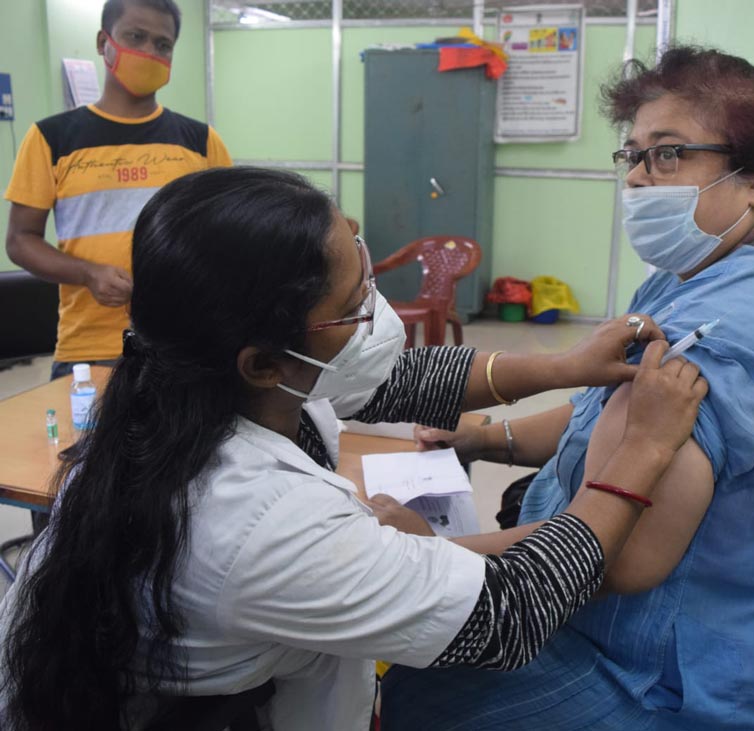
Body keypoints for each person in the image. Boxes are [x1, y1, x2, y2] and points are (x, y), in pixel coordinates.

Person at [0, 167, 707, 731]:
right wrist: (640, 451)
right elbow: (512, 613)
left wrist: (565, 366)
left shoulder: (198, 387)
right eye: (353, 303)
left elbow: (395, 383)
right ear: (263, 361)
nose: (377, 310)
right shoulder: (254, 517)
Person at [380, 46, 754, 731]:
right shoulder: (716, 273)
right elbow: (598, 411)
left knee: (411, 688)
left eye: (667, 154)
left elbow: (608, 552)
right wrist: (481, 437)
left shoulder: (712, 343)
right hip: (729, 636)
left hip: (672, 684)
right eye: (632, 154)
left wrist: (420, 554)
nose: (638, 178)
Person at [4, 0, 232, 381]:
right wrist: (88, 273)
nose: (149, 52)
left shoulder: (200, 142)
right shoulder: (51, 138)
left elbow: (230, 235)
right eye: (135, 37)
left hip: (183, 346)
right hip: (89, 352)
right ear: (102, 42)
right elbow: (20, 240)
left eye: (163, 45)